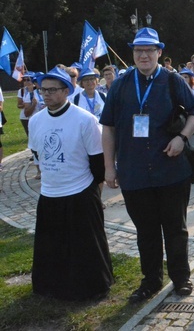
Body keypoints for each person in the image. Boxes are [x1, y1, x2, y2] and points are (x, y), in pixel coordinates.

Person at [101, 27, 194, 303]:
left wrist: (182, 138)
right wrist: (109, 167)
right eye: (138, 50)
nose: (143, 55)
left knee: (175, 229)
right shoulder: (120, 85)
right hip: (134, 172)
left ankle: (181, 278)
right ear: (133, 54)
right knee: (146, 232)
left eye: (149, 50)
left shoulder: (172, 81)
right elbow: (108, 128)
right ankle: (151, 281)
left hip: (170, 169)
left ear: (159, 52)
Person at [29, 67, 113, 300]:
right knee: (52, 246)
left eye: (52, 90)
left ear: (67, 90)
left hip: (80, 191)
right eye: (42, 90)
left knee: (85, 246)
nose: (46, 95)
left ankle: (92, 287)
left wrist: (90, 189)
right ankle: (52, 287)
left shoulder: (85, 120)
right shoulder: (36, 121)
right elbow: (38, 154)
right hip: (50, 192)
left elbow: (97, 161)